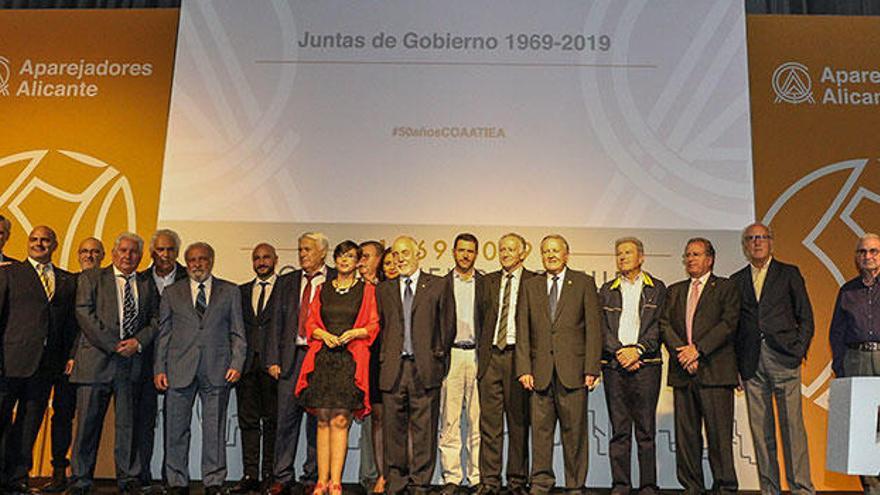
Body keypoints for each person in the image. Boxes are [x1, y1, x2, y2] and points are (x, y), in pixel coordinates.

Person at [68, 232, 160, 494]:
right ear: (113, 252)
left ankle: (127, 478)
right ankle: (80, 479)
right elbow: (84, 313)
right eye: (123, 251)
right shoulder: (91, 277)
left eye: (133, 252)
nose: (128, 256)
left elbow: (155, 319)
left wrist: (137, 342)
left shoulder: (146, 283)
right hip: (95, 362)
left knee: (127, 426)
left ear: (140, 257)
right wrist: (114, 345)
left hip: (131, 365)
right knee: (87, 425)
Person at [154, 242, 246, 495]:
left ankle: (213, 481)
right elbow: (164, 333)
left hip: (218, 368)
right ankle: (176, 481)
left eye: (203, 259)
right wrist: (159, 369)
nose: (197, 264)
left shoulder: (230, 291)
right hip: (178, 369)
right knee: (175, 428)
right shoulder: (172, 293)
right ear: (186, 262)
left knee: (214, 428)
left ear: (211, 260)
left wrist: (236, 363)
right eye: (192, 260)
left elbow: (238, 332)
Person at [732, 223, 815, 495]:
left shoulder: (789, 273)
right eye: (751, 239)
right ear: (745, 246)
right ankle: (770, 490)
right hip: (751, 365)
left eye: (762, 237)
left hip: (784, 359)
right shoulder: (737, 280)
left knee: (793, 430)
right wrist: (736, 367)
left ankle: (801, 488)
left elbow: (806, 317)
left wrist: (797, 349)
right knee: (761, 433)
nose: (756, 242)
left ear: (771, 242)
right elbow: (733, 328)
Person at [516, 234, 601, 494]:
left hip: (574, 372)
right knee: (540, 433)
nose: (550, 255)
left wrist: (591, 368)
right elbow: (522, 330)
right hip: (539, 373)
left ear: (567, 254)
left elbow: (594, 330)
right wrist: (523, 368)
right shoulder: (530, 285)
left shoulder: (584, 282)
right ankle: (541, 482)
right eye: (545, 251)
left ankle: (575, 484)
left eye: (555, 250)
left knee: (574, 433)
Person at [296, 240, 380, 495]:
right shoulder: (323, 289)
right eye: (341, 256)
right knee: (322, 420)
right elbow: (310, 324)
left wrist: (356, 332)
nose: (345, 260)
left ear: (358, 262)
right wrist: (322, 333)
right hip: (324, 359)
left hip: (349, 361)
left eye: (351, 257)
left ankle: (336, 483)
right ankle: (321, 482)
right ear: (335, 260)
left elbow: (374, 325)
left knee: (341, 420)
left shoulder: (367, 291)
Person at [0, 226, 77, 495]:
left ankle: (17, 478)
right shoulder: (9, 272)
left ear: (54, 244)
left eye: (45, 240)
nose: (39, 244)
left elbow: (70, 326)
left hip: (45, 367)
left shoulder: (67, 280)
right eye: (34, 239)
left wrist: (70, 356)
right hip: (9, 362)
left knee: (29, 424)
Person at [660, 237, 740, 495]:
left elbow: (728, 323)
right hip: (683, 373)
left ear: (710, 259)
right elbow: (664, 325)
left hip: (715, 372)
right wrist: (683, 353)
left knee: (719, 437)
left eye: (695, 254)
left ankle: (725, 487)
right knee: (686, 438)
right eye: (687, 255)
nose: (690, 259)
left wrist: (699, 350)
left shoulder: (726, 287)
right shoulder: (674, 290)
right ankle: (692, 487)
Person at [377, 235, 454, 495]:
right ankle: (396, 482)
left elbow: (447, 327)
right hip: (393, 370)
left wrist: (437, 360)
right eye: (396, 255)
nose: (400, 259)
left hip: (424, 368)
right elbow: (384, 327)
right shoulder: (384, 289)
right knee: (393, 432)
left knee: (424, 430)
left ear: (417, 254)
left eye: (405, 253)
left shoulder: (438, 285)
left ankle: (420, 482)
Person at [265, 233, 335, 495]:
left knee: (316, 420)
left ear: (322, 253)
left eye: (307, 249)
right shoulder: (286, 281)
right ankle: (282, 476)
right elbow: (275, 323)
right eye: (300, 249)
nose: (302, 254)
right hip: (290, 359)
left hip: (320, 359)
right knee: (285, 419)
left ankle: (312, 477)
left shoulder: (335, 279)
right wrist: (272, 358)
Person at [599, 237, 666, 495]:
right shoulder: (606, 289)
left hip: (647, 366)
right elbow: (601, 328)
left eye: (628, 252)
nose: (623, 257)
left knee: (646, 430)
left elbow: (659, 325)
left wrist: (637, 350)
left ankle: (648, 486)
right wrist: (619, 351)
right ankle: (621, 485)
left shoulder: (657, 288)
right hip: (615, 366)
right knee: (619, 430)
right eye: (619, 253)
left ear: (641, 257)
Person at [40, 237, 105, 493]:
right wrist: (69, 354)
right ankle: (59, 470)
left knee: (89, 420)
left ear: (102, 255)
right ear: (78, 255)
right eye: (84, 251)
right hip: (63, 364)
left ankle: (83, 474)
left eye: (94, 252)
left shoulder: (110, 284)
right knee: (63, 416)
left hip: (94, 361)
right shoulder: (68, 282)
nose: (89, 256)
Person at [476, 233, 534, 495]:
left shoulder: (535, 281)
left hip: (518, 358)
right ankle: (490, 481)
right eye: (502, 249)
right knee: (490, 424)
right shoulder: (488, 281)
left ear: (523, 253)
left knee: (519, 423)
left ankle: (517, 481)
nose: (506, 253)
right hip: (491, 358)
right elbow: (480, 320)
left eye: (511, 249)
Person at [829, 232, 880, 494]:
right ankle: (872, 489)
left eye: (873, 251)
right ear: (856, 257)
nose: (868, 256)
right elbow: (836, 332)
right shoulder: (847, 291)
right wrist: (841, 368)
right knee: (861, 430)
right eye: (863, 252)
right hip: (856, 361)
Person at [138, 228, 188, 489]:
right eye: (160, 249)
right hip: (143, 361)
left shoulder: (189, 278)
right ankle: (142, 475)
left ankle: (173, 477)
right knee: (143, 421)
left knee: (176, 424)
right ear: (152, 252)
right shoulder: (139, 279)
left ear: (177, 253)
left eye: (170, 249)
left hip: (180, 361)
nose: (165, 254)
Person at [231, 243, 280, 493]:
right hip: (246, 367)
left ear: (276, 260)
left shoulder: (286, 290)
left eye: (266, 257)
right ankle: (250, 473)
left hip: (274, 367)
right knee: (248, 421)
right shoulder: (240, 291)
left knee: (272, 422)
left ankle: (270, 474)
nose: (261, 262)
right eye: (257, 258)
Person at [440, 233, 483, 494]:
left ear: (476, 254)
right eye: (461, 250)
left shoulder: (486, 283)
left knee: (477, 421)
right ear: (453, 252)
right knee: (450, 421)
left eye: (470, 251)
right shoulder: (441, 284)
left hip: (478, 356)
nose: (465, 255)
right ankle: (452, 477)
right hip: (452, 355)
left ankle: (476, 477)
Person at [356, 240, 387, 493]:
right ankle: (367, 475)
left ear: (379, 260)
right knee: (362, 419)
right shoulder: (349, 288)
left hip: (379, 359)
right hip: (353, 359)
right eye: (359, 256)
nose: (361, 261)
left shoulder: (387, 289)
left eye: (366, 256)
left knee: (379, 418)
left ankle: (382, 474)